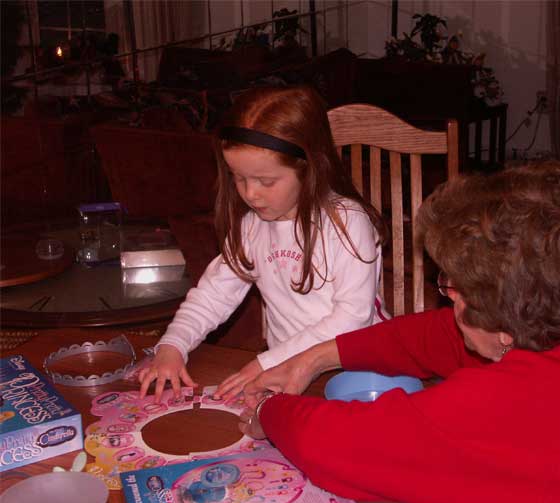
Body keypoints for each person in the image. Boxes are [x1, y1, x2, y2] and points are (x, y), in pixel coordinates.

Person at [238, 162, 560, 503]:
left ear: (505, 322)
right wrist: (317, 357)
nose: (447, 298)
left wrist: (269, 410)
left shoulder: (540, 401)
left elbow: (346, 447)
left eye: (453, 289)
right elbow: (439, 337)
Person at [138, 85, 387, 402]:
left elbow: (351, 320)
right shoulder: (251, 226)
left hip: (356, 368)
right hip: (283, 370)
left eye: (266, 181)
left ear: (309, 168)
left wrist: (266, 362)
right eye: (239, 178)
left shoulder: (348, 222)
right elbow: (213, 296)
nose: (250, 194)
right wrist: (173, 344)